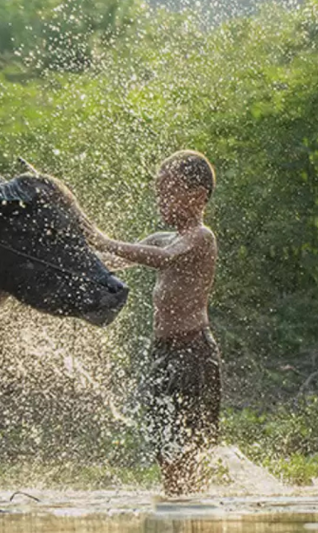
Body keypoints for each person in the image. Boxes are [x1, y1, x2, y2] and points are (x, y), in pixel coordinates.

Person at [90, 150, 220, 496]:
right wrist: (73, 253)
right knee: (165, 442)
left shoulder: (200, 237)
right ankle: (179, 501)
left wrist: (102, 238)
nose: (160, 199)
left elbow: (161, 259)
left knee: (188, 443)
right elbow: (111, 261)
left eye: (169, 191)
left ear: (198, 196)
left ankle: (192, 505)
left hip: (193, 352)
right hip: (163, 352)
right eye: (158, 191)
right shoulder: (163, 237)